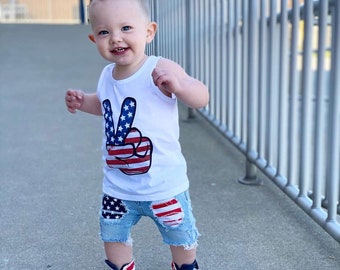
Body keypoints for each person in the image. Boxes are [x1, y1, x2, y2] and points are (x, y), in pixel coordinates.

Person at [65, 0, 209, 269]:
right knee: (113, 237)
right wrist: (84, 101)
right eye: (104, 32)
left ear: (149, 31)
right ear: (93, 38)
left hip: (164, 187)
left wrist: (179, 86)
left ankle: (184, 266)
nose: (116, 38)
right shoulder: (107, 75)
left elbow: (201, 96)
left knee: (181, 240)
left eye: (126, 28)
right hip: (118, 188)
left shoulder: (159, 68)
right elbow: (108, 106)